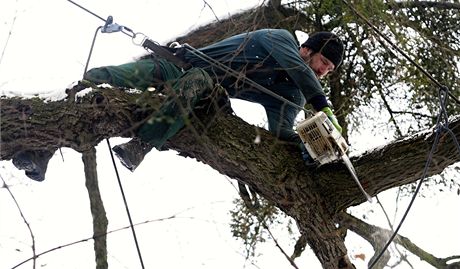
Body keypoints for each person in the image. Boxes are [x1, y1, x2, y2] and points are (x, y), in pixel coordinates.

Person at [12, 28, 344, 180]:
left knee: (198, 82)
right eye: (324, 62)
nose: (324, 70)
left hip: (208, 95)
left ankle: (142, 145)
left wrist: (313, 146)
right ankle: (40, 150)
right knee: (105, 77)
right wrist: (323, 105)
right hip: (179, 66)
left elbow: (282, 131)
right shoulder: (281, 40)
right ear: (308, 49)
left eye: (329, 69)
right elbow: (302, 73)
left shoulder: (294, 95)